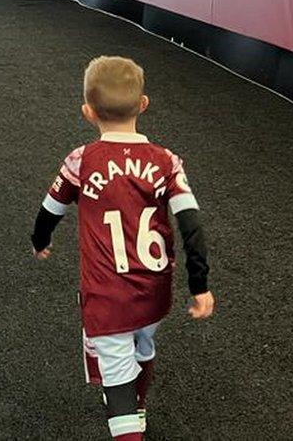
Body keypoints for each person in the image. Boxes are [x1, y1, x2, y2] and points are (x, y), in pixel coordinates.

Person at [29, 56, 215, 441]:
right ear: (143, 104)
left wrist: (40, 240)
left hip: (107, 298)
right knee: (143, 345)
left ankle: (130, 412)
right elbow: (191, 224)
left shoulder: (81, 160)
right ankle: (140, 403)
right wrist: (200, 285)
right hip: (154, 292)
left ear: (88, 111)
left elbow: (50, 210)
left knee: (117, 397)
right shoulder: (167, 161)